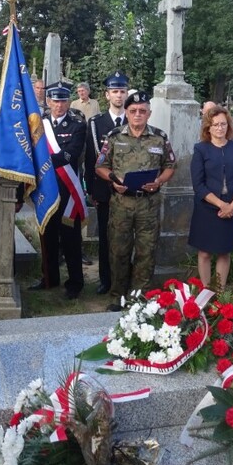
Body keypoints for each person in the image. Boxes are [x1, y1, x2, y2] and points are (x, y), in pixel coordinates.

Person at [96, 91, 177, 311]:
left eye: (142, 111)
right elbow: (100, 165)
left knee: (146, 251)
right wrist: (114, 179)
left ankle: (140, 298)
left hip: (148, 204)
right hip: (122, 203)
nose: (138, 115)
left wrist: (159, 181)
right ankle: (118, 296)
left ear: (149, 114)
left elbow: (170, 166)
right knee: (119, 250)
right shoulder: (114, 137)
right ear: (127, 113)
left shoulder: (159, 138)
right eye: (133, 111)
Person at [28, 84, 87, 299]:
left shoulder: (78, 126)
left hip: (67, 190)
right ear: (49, 102)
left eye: (63, 101)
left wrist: (41, 160)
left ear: (68, 102)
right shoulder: (39, 125)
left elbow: (71, 154)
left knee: (70, 239)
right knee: (47, 236)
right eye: (55, 101)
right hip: (46, 188)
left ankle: (75, 283)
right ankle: (49, 278)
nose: (59, 105)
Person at [188, 106, 233, 289]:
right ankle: (206, 291)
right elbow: (198, 185)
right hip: (207, 209)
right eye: (215, 125)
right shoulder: (200, 149)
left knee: (224, 252)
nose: (220, 128)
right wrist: (221, 204)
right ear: (208, 127)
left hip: (232, 207)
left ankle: (220, 292)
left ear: (228, 126)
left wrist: (232, 206)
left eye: (223, 124)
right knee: (205, 253)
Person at [85, 71, 129, 294]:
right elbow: (90, 158)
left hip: (130, 190)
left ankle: (125, 279)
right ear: (107, 94)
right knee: (105, 236)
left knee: (127, 238)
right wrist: (90, 188)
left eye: (122, 91)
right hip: (104, 189)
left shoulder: (135, 119)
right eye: (115, 91)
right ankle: (105, 279)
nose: (119, 96)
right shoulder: (96, 123)